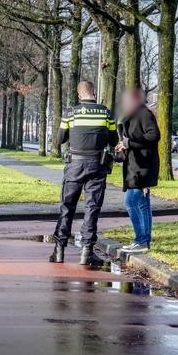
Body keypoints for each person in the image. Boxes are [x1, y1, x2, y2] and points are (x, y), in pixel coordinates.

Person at [50, 81, 118, 265]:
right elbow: (114, 139)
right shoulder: (105, 112)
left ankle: (59, 251)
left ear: (79, 95)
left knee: (67, 207)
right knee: (92, 207)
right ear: (94, 92)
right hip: (97, 165)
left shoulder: (70, 113)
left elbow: (59, 139)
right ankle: (86, 252)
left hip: (75, 165)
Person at [116, 89, 160, 253]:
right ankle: (143, 240)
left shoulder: (144, 114)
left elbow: (154, 136)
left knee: (131, 203)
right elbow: (131, 141)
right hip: (135, 166)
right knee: (142, 205)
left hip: (142, 168)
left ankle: (141, 240)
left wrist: (129, 143)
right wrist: (122, 147)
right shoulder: (131, 117)